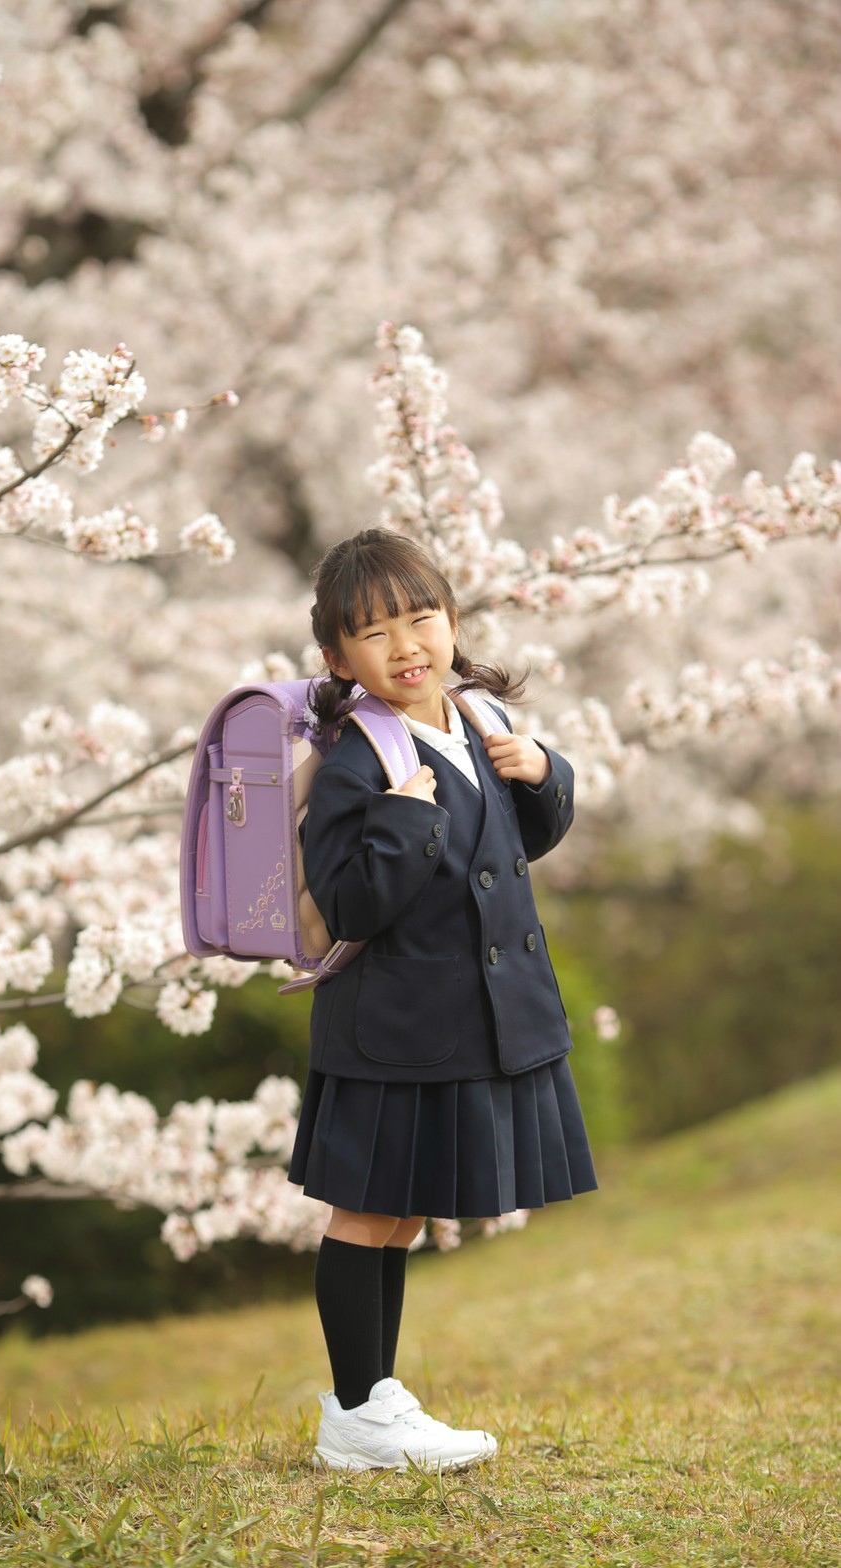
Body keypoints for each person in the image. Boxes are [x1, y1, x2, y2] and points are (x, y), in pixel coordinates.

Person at [287, 528, 598, 1472]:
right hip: (392, 1027)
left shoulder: (472, 720)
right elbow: (347, 904)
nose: (405, 645)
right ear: (338, 660)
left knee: (404, 1214)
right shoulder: (354, 758)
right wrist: (407, 817)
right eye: (374, 634)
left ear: (452, 622)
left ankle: (372, 1403)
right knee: (366, 1212)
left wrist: (547, 777)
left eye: (421, 618)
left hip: (457, 1021)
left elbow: (505, 850)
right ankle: (354, 1410)